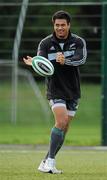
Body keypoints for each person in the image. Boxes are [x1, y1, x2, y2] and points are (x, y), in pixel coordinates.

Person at [23, 10, 87, 174]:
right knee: (62, 120)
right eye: (57, 25)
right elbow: (42, 64)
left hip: (73, 90)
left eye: (63, 25)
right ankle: (50, 162)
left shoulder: (78, 41)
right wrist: (35, 63)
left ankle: (45, 161)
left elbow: (82, 58)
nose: (60, 28)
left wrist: (66, 60)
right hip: (55, 89)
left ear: (68, 25)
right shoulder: (45, 44)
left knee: (64, 128)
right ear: (53, 25)